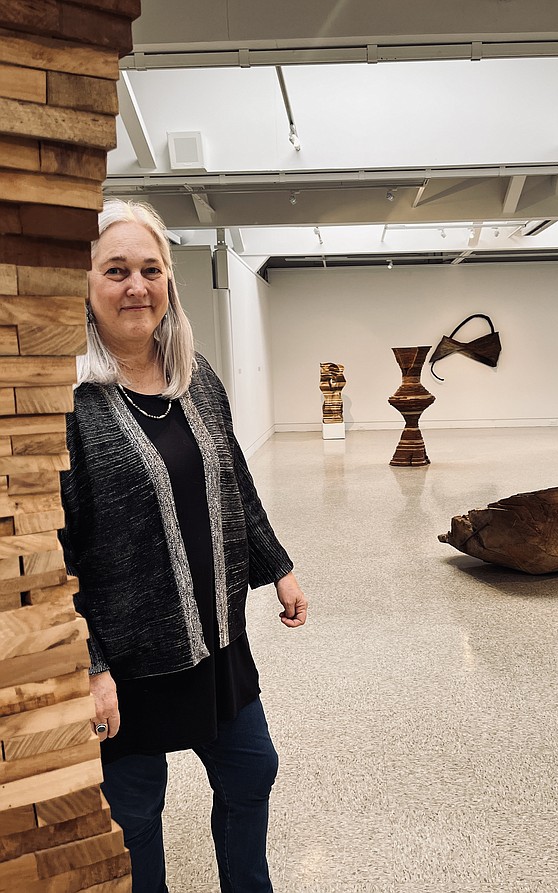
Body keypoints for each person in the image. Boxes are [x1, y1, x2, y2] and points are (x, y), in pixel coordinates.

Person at [59, 198, 307, 893]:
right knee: (135, 811)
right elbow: (52, 553)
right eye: (116, 270)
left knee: (251, 768)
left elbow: (233, 479)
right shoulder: (68, 404)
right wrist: (89, 665)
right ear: (86, 283)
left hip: (217, 641)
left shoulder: (196, 378)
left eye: (150, 268)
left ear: (169, 278)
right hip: (128, 664)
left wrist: (277, 564)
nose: (136, 286)